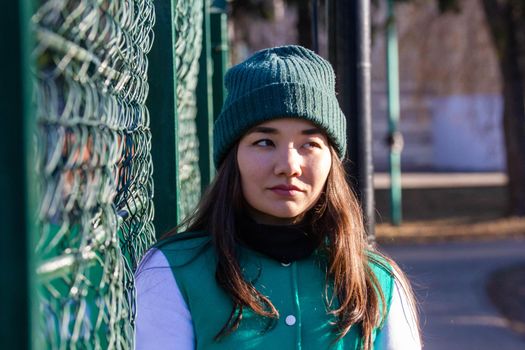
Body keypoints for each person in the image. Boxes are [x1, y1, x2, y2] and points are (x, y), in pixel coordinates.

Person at [135, 45, 421, 350]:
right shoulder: (172, 271)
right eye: (264, 142)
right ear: (233, 158)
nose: (288, 166)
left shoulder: (377, 281)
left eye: (309, 144)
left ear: (332, 160)